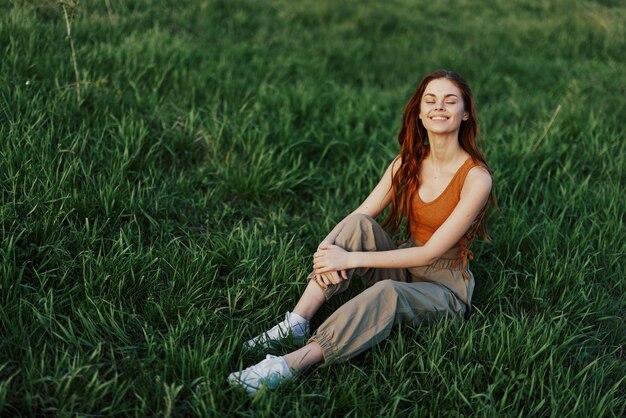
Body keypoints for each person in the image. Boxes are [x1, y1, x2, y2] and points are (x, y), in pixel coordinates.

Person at [227, 69, 495, 394]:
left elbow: (430, 252)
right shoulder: (406, 163)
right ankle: (296, 323)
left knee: (388, 293)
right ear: (420, 113)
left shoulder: (476, 178)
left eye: (450, 101)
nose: (439, 107)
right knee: (357, 227)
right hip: (404, 266)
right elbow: (361, 213)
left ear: (465, 113)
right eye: (431, 100)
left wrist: (350, 257)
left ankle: (288, 364)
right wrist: (326, 249)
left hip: (445, 291)